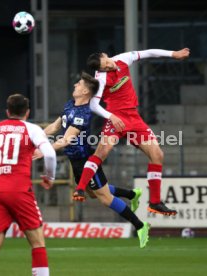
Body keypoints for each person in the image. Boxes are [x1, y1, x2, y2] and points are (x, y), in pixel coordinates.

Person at [34, 72, 150, 248]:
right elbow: (55, 126)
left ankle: (141, 226)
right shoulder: (69, 105)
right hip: (75, 161)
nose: (75, 86)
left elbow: (67, 139)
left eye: (79, 84)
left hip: (86, 161)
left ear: (86, 92)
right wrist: (36, 137)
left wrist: (44, 150)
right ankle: (132, 194)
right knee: (91, 193)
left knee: (104, 198)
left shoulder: (84, 113)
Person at [73, 48, 190, 216]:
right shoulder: (101, 78)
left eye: (106, 62)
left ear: (105, 55)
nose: (108, 66)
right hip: (117, 119)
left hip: (133, 118)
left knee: (157, 154)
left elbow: (149, 53)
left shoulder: (123, 59)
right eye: (104, 67)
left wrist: (173, 54)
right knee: (103, 151)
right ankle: (80, 189)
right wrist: (111, 116)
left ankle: (155, 202)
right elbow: (93, 105)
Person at [0, 94, 56, 276]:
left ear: (7, 111)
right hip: (18, 190)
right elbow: (49, 154)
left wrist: (2, 165)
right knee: (38, 243)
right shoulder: (31, 128)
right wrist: (49, 177)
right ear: (27, 112)